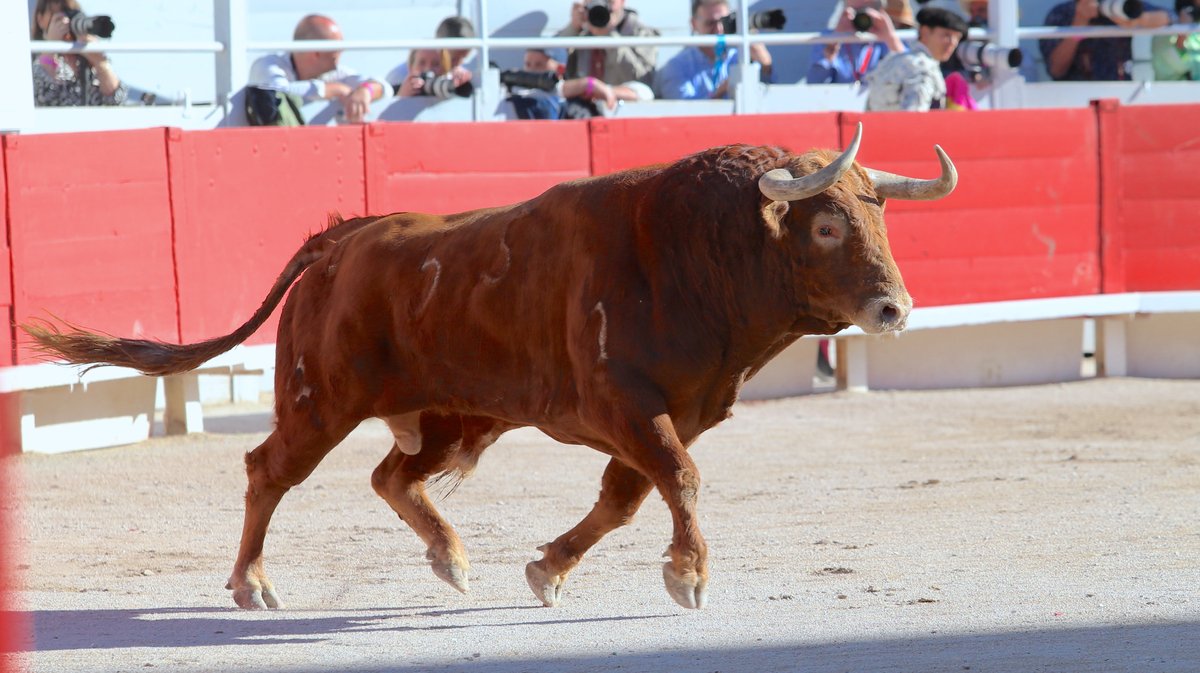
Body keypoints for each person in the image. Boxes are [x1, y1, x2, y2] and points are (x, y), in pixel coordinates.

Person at [245, 14, 391, 125]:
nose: (341, 53)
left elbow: (385, 88)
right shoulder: (267, 65)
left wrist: (366, 91)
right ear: (316, 53)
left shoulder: (333, 71)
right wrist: (332, 90)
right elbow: (276, 94)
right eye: (336, 50)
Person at [656, 0, 774, 100]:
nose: (719, 29)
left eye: (724, 21)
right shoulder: (677, 66)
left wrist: (766, 66)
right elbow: (683, 115)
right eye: (710, 23)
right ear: (694, 24)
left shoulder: (742, 55)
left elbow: (769, 100)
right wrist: (719, 93)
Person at [1041, 0, 1174, 81]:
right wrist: (1078, 27)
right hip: (1075, 98)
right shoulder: (1062, 13)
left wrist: (1137, 20)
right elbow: (1056, 70)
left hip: (1121, 94)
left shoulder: (1120, 6)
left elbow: (1170, 17)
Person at [865, 6, 968, 111]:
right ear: (925, 32)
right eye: (947, 35)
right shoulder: (923, 68)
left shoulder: (894, 59)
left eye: (957, 38)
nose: (952, 43)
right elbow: (914, 117)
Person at [556, 0, 660, 99]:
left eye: (609, 1)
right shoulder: (582, 30)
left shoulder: (640, 33)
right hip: (582, 107)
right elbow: (547, 67)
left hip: (624, 107)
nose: (601, 7)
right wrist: (572, 29)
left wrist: (611, 38)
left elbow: (645, 83)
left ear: (622, 1)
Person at [30, 0, 127, 106]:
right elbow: (40, 96)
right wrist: (51, 48)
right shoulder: (30, 54)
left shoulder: (87, 56)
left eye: (70, 14)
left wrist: (100, 62)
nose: (66, 22)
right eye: (58, 16)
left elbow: (116, 101)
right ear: (40, 19)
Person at [807, 0, 907, 85]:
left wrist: (891, 39)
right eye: (857, 11)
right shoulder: (828, 37)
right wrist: (834, 41)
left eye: (867, 9)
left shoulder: (887, 37)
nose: (861, 18)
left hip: (881, 103)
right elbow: (814, 83)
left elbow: (910, 73)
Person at [505, 47, 624, 119]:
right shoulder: (515, 89)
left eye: (539, 64)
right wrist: (586, 85)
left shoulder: (574, 102)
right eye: (528, 64)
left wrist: (589, 86)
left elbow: (640, 92)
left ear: (560, 69)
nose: (531, 70)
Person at [388, 16, 478, 98]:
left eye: (463, 58)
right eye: (453, 59)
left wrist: (461, 82)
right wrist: (401, 96)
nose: (458, 64)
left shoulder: (459, 73)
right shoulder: (399, 76)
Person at [1152, 0, 1200, 80]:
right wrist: (1183, 34)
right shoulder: (1164, 34)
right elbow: (1182, 65)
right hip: (1172, 89)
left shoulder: (1196, 29)